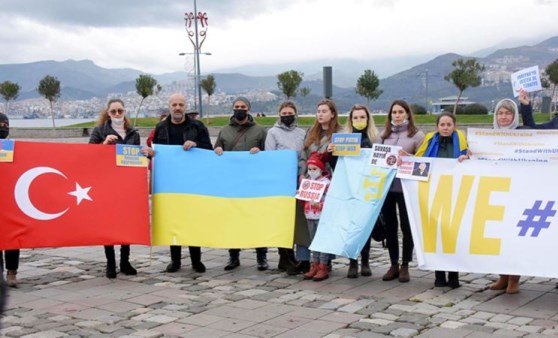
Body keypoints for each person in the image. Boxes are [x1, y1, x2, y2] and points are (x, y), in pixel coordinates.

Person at [150, 93, 213, 274]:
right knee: (173, 220)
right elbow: (156, 150)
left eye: (181, 104)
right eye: (174, 104)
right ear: (169, 106)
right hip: (170, 182)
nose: (177, 108)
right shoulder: (161, 127)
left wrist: (195, 143)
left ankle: (196, 260)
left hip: (192, 181)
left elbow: (208, 148)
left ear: (185, 107)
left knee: (193, 219)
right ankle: (175, 261)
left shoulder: (197, 126)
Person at [414, 112, 468, 288]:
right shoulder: (430, 141)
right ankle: (439, 274)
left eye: (449, 124)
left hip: (454, 192)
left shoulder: (462, 143)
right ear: (437, 126)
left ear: (454, 126)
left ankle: (454, 275)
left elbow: (471, 162)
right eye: (442, 124)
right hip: (433, 192)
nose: (445, 128)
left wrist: (466, 159)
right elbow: (418, 160)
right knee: (435, 234)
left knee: (452, 235)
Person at [214, 96, 269, 271]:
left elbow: (269, 155)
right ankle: (233, 257)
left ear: (249, 109)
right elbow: (214, 154)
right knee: (233, 220)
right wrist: (217, 150)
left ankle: (262, 257)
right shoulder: (224, 131)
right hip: (231, 183)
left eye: (243, 106)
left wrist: (259, 152)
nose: (239, 109)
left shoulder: (260, 131)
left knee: (258, 219)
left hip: (254, 183)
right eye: (237, 106)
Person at [89, 99, 142, 279]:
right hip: (107, 183)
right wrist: (103, 145)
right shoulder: (99, 131)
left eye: (120, 111)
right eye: (114, 112)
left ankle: (125, 261)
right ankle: (110, 262)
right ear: (108, 113)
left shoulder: (133, 133)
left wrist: (146, 154)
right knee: (109, 223)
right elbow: (88, 156)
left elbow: (137, 156)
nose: (118, 114)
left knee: (126, 223)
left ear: (125, 111)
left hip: (127, 184)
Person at [288, 98, 342, 276]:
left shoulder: (340, 133)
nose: (320, 114)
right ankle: (311, 262)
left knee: (324, 223)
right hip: (310, 182)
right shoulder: (311, 132)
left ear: (332, 113)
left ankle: (325, 263)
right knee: (309, 222)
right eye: (318, 111)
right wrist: (302, 174)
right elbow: (303, 154)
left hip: (328, 182)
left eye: (324, 111)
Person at [380, 100, 425, 283]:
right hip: (388, 188)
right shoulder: (383, 135)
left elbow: (424, 160)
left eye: (400, 112)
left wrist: (409, 158)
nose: (397, 115)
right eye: (394, 112)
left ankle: (405, 263)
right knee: (390, 227)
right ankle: (393, 263)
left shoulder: (417, 135)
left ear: (407, 113)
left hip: (407, 187)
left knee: (407, 227)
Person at [265, 101, 305, 272]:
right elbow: (270, 157)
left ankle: (300, 256)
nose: (287, 115)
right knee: (283, 220)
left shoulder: (302, 132)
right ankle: (284, 256)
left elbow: (304, 154)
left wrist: (302, 173)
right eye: (284, 113)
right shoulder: (272, 133)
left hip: (298, 179)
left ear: (295, 114)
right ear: (279, 114)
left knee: (298, 220)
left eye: (290, 113)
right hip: (281, 182)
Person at [341, 105, 380, 279]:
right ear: (351, 120)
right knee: (352, 225)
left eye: (362, 117)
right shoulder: (345, 140)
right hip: (350, 187)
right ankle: (352, 261)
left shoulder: (375, 139)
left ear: (367, 119)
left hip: (368, 187)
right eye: (355, 118)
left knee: (366, 225)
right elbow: (338, 166)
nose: (359, 121)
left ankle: (365, 260)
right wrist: (333, 154)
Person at [302, 153, 331, 281]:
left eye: (314, 169)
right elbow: (304, 197)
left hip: (321, 216)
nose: (312, 171)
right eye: (310, 169)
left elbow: (331, 200)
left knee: (323, 241)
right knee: (313, 241)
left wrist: (320, 204)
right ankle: (314, 264)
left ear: (320, 169)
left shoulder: (326, 183)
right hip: (309, 215)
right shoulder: (308, 182)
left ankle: (323, 266)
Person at [0, 113, 20, 287]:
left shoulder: (12, 148)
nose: (3, 128)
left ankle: (12, 272)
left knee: (12, 237)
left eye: (5, 125)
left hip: (11, 198)